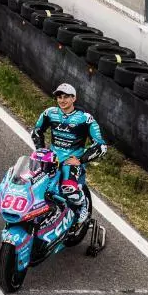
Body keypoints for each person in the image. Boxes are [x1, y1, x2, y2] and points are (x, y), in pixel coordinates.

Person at [31, 83, 107, 225]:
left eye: (66, 97)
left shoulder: (85, 118)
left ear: (74, 98)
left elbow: (101, 146)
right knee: (32, 184)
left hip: (70, 162)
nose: (62, 100)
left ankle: (83, 205)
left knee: (69, 190)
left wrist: (80, 159)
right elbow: (36, 131)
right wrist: (41, 150)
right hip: (51, 160)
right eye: (59, 97)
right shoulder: (49, 113)